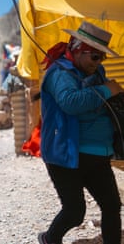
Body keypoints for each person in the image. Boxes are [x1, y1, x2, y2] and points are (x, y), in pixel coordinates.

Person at [38, 21, 124, 244]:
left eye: (101, 57)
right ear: (76, 48)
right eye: (94, 57)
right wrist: (108, 89)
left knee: (112, 205)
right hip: (67, 155)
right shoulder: (59, 73)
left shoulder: (96, 71)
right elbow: (70, 103)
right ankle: (49, 239)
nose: (98, 63)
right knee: (74, 212)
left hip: (97, 153)